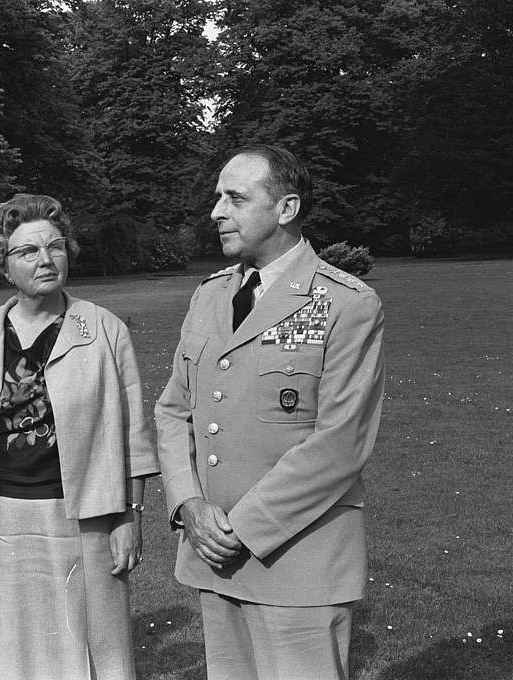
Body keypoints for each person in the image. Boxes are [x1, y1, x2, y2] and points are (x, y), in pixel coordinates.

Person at [155, 144, 385, 680]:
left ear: (285, 209)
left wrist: (241, 527)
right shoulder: (209, 295)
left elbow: (341, 442)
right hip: (214, 557)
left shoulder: (347, 303)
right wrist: (188, 504)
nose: (216, 211)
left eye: (235, 198)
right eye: (218, 197)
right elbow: (174, 412)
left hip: (298, 561)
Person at [0, 193, 160, 680]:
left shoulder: (104, 330)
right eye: (28, 252)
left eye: (55, 246)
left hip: (84, 517)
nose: (46, 259)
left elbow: (134, 437)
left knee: (88, 652)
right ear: (4, 266)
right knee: (7, 654)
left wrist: (132, 516)